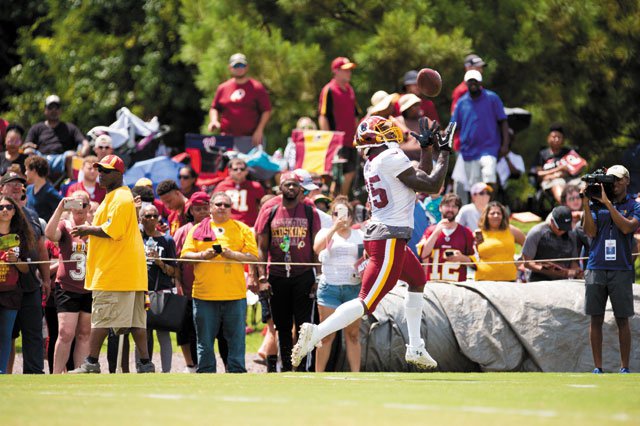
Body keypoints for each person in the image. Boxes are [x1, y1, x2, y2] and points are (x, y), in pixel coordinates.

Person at [292, 115, 455, 370]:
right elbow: (432, 185)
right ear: (379, 138)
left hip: (386, 236)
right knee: (366, 302)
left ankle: (415, 346)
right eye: (383, 129)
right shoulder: (391, 158)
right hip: (388, 239)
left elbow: (419, 179)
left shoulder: (374, 161)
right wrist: (444, 153)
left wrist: (426, 149)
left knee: (417, 280)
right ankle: (316, 333)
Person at [69, 155, 154, 374]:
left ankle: (91, 362)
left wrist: (87, 229)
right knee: (136, 322)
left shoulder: (121, 198)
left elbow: (111, 231)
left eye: (106, 171)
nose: (101, 174)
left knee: (101, 318)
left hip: (114, 272)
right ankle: (146, 364)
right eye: (99, 170)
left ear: (119, 174)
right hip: (128, 272)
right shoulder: (117, 197)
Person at [181, 192, 259, 373]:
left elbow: (253, 257)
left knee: (237, 340)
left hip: (235, 295)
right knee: (204, 341)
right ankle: (207, 373)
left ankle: (237, 372)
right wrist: (203, 255)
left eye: (226, 205)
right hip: (204, 295)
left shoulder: (242, 228)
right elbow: (185, 256)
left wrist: (232, 255)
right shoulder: (197, 229)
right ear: (210, 207)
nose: (222, 207)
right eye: (218, 204)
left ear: (231, 209)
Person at [255, 171, 321, 371]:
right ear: (280, 188)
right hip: (277, 275)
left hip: (303, 275)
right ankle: (285, 366)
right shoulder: (270, 210)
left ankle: (303, 368)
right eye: (288, 184)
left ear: (301, 189)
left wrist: (318, 276)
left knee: (304, 327)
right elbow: (261, 247)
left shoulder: (310, 212)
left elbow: (316, 247)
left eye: (295, 185)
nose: (291, 188)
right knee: (281, 326)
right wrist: (262, 277)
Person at [581, 165, 639, 374]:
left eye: (616, 179)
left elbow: (626, 227)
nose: (613, 183)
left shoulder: (634, 205)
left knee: (622, 318)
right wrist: (587, 204)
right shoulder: (596, 203)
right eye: (610, 179)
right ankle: (598, 367)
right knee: (595, 317)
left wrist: (607, 203)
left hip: (621, 268)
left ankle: (625, 367)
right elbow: (589, 232)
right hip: (596, 266)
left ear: (626, 181)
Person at [1, 171, 50, 374]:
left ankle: (34, 374)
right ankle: (6, 374)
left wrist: (46, 278)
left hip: (29, 284)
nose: (15, 187)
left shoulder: (32, 215)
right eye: (10, 183)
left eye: (19, 184)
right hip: (3, 286)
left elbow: (41, 248)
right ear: (1, 188)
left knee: (33, 333)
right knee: (6, 335)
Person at [313, 196, 364, 372]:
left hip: (353, 287)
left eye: (346, 213)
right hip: (330, 288)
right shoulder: (325, 232)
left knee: (353, 334)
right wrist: (334, 228)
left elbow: (368, 258)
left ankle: (356, 375)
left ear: (351, 216)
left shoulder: (359, 235)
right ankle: (319, 375)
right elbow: (317, 248)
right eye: (337, 213)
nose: (342, 217)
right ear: (332, 215)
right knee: (326, 335)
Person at [44, 191, 92, 373]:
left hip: (89, 287)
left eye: (84, 205)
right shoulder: (65, 225)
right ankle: (56, 374)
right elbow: (49, 233)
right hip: (67, 287)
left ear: (89, 207)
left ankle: (79, 372)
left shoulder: (92, 227)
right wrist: (60, 207)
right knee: (65, 333)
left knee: (85, 334)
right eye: (76, 205)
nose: (79, 209)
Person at [451, 70, 509, 193]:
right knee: (474, 186)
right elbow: (454, 125)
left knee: (489, 176)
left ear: (480, 82)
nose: (473, 84)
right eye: (470, 81)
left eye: (476, 81)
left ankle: (491, 207)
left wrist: (505, 145)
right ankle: (479, 210)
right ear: (466, 83)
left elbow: (503, 122)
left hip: (489, 147)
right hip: (469, 150)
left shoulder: (492, 98)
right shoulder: (462, 102)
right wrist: (445, 137)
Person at [173, 191, 211, 373]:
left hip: (212, 290)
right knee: (185, 331)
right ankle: (190, 366)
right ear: (191, 211)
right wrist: (177, 283)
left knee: (208, 331)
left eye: (205, 208)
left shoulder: (217, 228)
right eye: (198, 209)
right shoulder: (182, 232)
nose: (202, 212)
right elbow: (176, 262)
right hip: (187, 290)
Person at [0, 196, 37, 374]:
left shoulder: (21, 236)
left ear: (15, 211)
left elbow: (25, 269)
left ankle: (2, 372)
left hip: (11, 292)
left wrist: (16, 261)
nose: (5, 210)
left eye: (9, 207)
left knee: (6, 335)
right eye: (1, 208)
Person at [140, 204, 177, 373]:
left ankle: (166, 372)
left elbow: (174, 271)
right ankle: (143, 368)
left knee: (163, 333)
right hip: (141, 292)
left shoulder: (167, 240)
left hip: (162, 292)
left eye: (155, 216)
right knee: (142, 334)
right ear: (141, 219)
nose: (152, 219)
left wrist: (159, 263)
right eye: (148, 216)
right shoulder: (136, 240)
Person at [208, 53, 272, 148]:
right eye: (236, 65)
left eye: (242, 65)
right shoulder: (223, 88)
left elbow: (266, 110)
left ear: (247, 67)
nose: (239, 68)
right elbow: (214, 108)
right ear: (230, 68)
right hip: (227, 139)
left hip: (251, 139)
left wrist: (259, 130)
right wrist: (213, 120)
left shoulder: (257, 87)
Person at [318, 57, 360, 196]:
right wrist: (328, 140)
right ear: (336, 71)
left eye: (350, 70)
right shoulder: (328, 90)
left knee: (350, 172)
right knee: (337, 174)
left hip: (351, 140)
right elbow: (323, 115)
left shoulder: (350, 90)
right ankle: (333, 202)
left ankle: (342, 200)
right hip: (337, 142)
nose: (349, 73)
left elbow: (355, 115)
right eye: (345, 70)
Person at [24, 95, 89, 179]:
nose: (53, 110)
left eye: (56, 107)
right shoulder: (36, 128)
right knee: (28, 152)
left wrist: (82, 151)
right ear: (45, 110)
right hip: (40, 158)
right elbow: (26, 145)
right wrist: (29, 146)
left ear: (60, 110)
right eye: (50, 107)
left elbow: (84, 143)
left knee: (71, 155)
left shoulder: (69, 127)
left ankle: (73, 185)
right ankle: (31, 184)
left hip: (62, 159)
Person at [418, 193, 475, 282]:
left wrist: (462, 258)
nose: (450, 209)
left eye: (454, 206)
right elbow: (423, 255)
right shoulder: (430, 230)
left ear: (458, 210)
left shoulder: (466, 232)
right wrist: (436, 232)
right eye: (447, 206)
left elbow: (476, 262)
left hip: (458, 286)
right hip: (434, 285)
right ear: (440, 208)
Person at [521, 206, 582, 282]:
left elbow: (574, 261)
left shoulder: (571, 235)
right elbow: (527, 263)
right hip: (538, 281)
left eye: (565, 229)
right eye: (560, 228)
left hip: (563, 282)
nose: (562, 231)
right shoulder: (537, 233)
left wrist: (576, 271)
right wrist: (548, 271)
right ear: (552, 221)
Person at [471, 201, 526, 282]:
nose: (496, 216)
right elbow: (469, 254)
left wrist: (520, 261)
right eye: (492, 213)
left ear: (503, 216)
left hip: (509, 279)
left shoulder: (511, 230)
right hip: (484, 280)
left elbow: (528, 245)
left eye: (498, 213)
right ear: (486, 216)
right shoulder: (479, 233)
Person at [532, 124, 587, 204]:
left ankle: (585, 209)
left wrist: (567, 172)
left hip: (571, 180)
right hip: (553, 182)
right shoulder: (542, 154)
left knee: (585, 185)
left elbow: (583, 164)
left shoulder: (569, 152)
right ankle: (568, 209)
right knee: (558, 184)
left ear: (563, 139)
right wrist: (559, 170)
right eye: (554, 137)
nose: (556, 139)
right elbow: (539, 174)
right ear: (548, 138)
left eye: (559, 137)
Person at [214, 158, 265, 227]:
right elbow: (213, 206)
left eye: (242, 169)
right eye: (235, 169)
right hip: (226, 226)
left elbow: (264, 206)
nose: (239, 171)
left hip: (249, 227)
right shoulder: (222, 186)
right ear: (229, 171)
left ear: (246, 171)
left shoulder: (256, 186)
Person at [25, 155, 62, 221]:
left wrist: (82, 204)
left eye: (27, 170)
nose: (25, 173)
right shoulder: (28, 189)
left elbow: (67, 204)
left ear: (34, 170)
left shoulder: (49, 191)